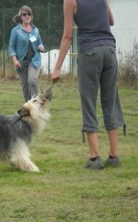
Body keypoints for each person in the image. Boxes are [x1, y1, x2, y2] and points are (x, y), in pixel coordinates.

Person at [51, 0, 125, 170]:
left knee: (89, 103)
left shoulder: (70, 1)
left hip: (90, 52)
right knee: (111, 101)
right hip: (109, 50)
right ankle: (114, 156)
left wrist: (57, 68)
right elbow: (111, 21)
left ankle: (94, 158)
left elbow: (68, 36)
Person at [9, 5, 44, 102]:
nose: (27, 16)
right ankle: (28, 107)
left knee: (32, 81)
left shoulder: (35, 30)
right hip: (21, 62)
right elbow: (11, 47)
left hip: (34, 60)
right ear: (21, 16)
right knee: (25, 87)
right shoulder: (16, 31)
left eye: (29, 14)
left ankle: (37, 104)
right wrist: (15, 60)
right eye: (24, 14)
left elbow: (40, 42)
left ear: (31, 17)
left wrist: (41, 47)